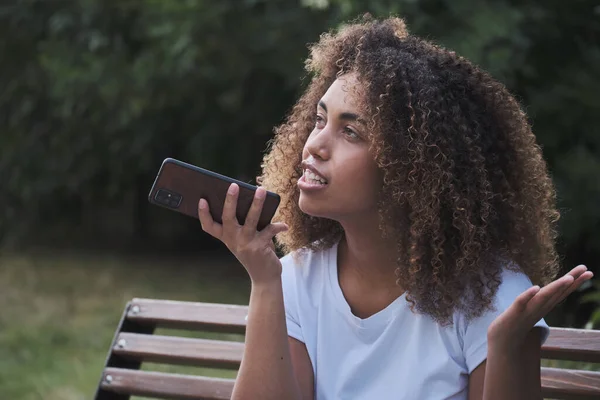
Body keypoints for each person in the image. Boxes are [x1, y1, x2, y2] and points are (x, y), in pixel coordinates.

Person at [197, 16, 593, 400]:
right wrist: (266, 283)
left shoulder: (495, 300)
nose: (315, 145)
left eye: (350, 131)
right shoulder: (296, 279)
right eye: (320, 120)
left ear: (411, 168)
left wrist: (505, 351)